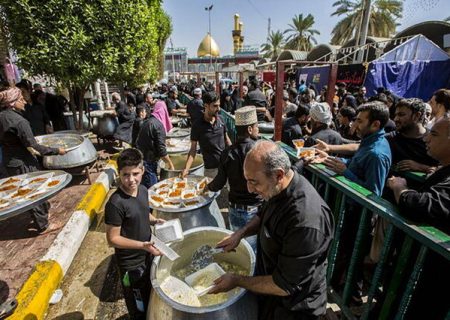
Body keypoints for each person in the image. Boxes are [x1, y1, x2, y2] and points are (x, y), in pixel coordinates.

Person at [210, 141, 334, 320]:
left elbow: (284, 285)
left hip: (294, 308)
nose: (250, 189)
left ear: (278, 175)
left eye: (254, 182)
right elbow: (263, 213)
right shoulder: (278, 187)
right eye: (247, 181)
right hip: (272, 294)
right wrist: (240, 233)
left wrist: (237, 280)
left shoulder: (306, 221)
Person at [105, 148, 164, 320]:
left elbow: (141, 212)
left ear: (143, 170)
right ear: (119, 173)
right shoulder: (115, 204)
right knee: (138, 304)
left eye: (135, 173)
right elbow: (112, 239)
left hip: (147, 255)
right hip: (131, 266)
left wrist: (154, 220)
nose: (131, 180)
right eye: (125, 175)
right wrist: (142, 246)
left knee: (150, 295)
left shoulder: (144, 190)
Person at [0, 87, 66, 233]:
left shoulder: (2, 116)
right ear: (12, 102)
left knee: (26, 189)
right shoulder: (19, 121)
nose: (24, 102)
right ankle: (43, 225)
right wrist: (57, 151)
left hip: (9, 161)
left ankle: (44, 211)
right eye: (21, 99)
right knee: (32, 191)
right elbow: (33, 145)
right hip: (23, 162)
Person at [207, 106, 262, 250]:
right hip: (254, 213)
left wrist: (206, 187)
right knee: (252, 251)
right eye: (256, 126)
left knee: (237, 248)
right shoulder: (260, 151)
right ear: (250, 129)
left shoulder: (227, 153)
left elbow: (218, 184)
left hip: (234, 210)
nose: (258, 129)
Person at [182, 91, 232, 179]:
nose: (219, 109)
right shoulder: (197, 125)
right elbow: (193, 149)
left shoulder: (221, 119)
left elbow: (227, 139)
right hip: (210, 170)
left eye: (219, 105)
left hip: (226, 165)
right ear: (206, 106)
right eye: (215, 106)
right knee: (213, 192)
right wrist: (186, 168)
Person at [388, 98, 438, 172]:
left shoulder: (434, 141)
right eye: (395, 115)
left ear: (417, 116)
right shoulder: (390, 139)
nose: (396, 119)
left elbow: (444, 171)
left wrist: (421, 167)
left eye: (401, 115)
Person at [135, 105, 174, 188]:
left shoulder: (148, 121)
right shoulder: (158, 125)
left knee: (145, 185)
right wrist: (171, 164)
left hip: (141, 157)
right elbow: (161, 150)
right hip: (149, 161)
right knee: (152, 187)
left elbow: (150, 139)